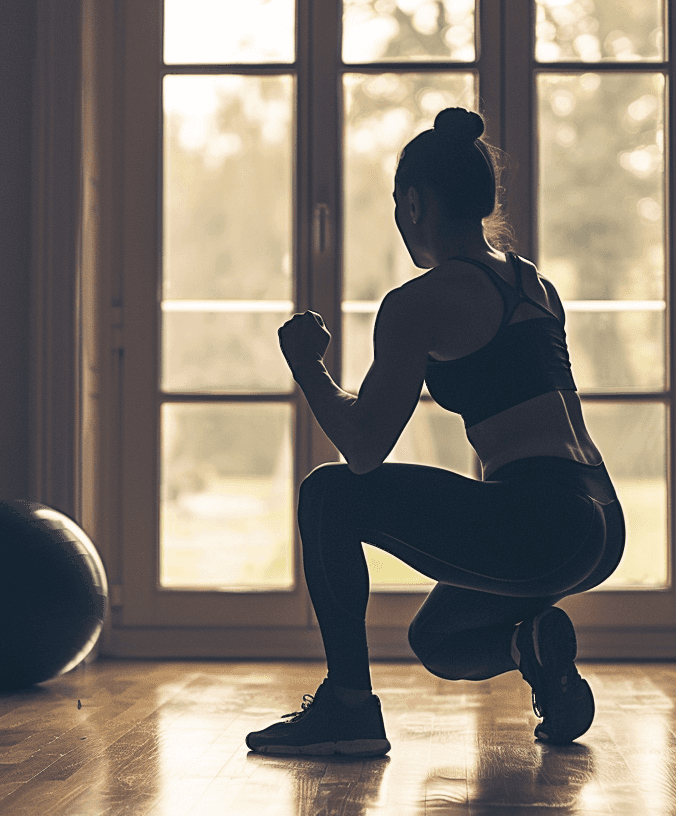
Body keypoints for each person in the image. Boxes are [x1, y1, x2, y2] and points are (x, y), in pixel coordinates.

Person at [246, 107, 624, 758]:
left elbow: (363, 450)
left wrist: (309, 369)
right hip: (599, 518)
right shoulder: (534, 283)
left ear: (414, 203)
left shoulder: (419, 303)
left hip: (542, 520)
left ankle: (349, 709)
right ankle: (529, 646)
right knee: (439, 643)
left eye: (400, 205)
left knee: (328, 495)